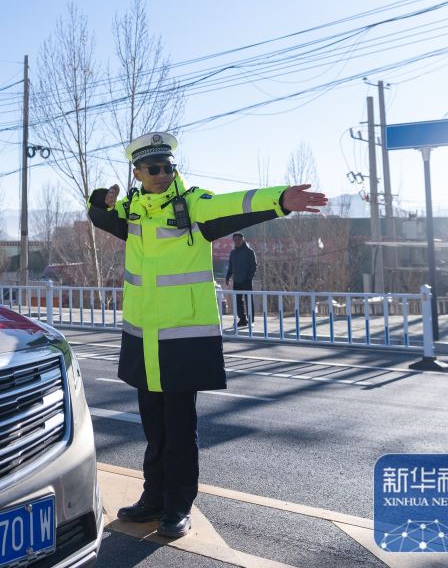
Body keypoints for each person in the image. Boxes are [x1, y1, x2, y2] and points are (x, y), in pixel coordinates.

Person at [87, 131, 326, 537]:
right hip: (143, 339)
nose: (163, 174)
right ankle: (153, 497)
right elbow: (100, 216)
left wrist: (280, 199)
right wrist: (98, 198)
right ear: (138, 172)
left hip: (182, 339)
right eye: (154, 168)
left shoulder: (192, 205)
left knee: (179, 428)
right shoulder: (131, 209)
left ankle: (178, 505)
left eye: (168, 167)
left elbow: (236, 205)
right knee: (154, 428)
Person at [225, 232, 257, 328]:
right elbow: (230, 267)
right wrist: (227, 277)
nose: (237, 241)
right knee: (238, 301)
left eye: (239, 239)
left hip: (246, 281)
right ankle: (242, 320)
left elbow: (254, 266)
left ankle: (251, 320)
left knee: (248, 300)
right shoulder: (233, 253)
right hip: (237, 281)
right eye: (235, 240)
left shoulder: (249, 251)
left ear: (243, 240)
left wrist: (249, 278)